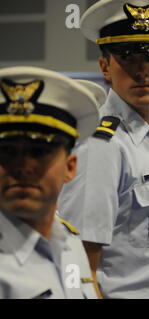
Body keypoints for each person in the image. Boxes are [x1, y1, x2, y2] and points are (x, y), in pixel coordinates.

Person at [57, 0, 149, 299]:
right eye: (127, 57)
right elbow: (77, 266)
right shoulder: (102, 146)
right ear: (105, 67)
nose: (142, 70)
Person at [0, 66, 100, 298]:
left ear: (70, 167)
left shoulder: (69, 244)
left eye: (39, 151)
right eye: (6, 151)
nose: (23, 166)